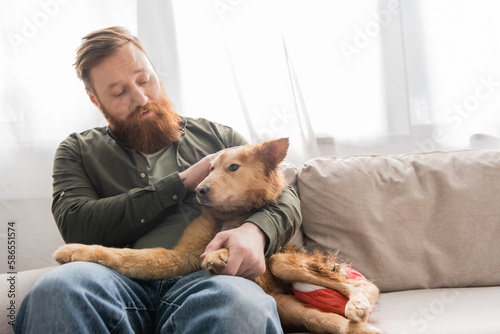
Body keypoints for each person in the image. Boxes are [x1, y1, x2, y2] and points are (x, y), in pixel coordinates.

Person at [14, 26, 301, 333]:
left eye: (144, 79)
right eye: (119, 92)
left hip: (209, 280)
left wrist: (255, 231)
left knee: (243, 304)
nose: (140, 98)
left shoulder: (220, 136)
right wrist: (184, 182)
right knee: (56, 290)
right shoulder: (77, 150)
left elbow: (285, 196)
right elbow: (77, 224)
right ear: (95, 99)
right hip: (112, 279)